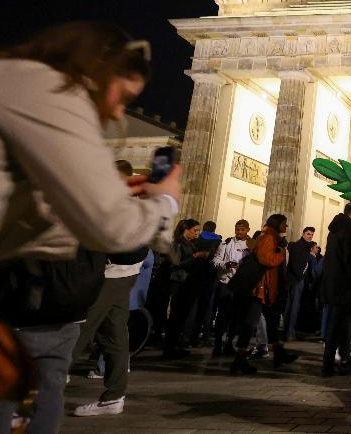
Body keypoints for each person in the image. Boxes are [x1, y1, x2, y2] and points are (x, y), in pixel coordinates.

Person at [0, 21, 180, 434]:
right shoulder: (49, 89)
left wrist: (101, 190)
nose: (119, 113)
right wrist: (164, 201)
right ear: (98, 70)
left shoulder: (7, 77)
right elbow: (113, 230)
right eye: (124, 95)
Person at [69, 160, 152, 417]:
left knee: (81, 326)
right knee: (114, 333)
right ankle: (114, 396)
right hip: (121, 274)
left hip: (112, 274)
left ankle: (42, 383)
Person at [229, 215, 297, 375]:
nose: (286, 227)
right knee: (250, 322)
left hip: (264, 289)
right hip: (258, 289)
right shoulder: (268, 237)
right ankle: (239, 360)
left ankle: (279, 353)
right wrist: (281, 254)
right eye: (284, 224)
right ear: (278, 224)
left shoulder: (270, 237)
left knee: (271, 320)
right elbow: (266, 259)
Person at [319, 204, 351, 377]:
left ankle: (344, 359)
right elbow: (350, 259)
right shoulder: (350, 230)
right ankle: (328, 364)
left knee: (342, 324)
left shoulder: (336, 229)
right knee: (338, 326)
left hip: (333, 284)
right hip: (345, 286)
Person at [162, 219, 208, 359]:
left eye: (198, 231)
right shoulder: (177, 243)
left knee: (182, 316)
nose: (197, 233)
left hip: (188, 282)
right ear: (185, 229)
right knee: (175, 316)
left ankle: (176, 345)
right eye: (195, 230)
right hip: (179, 282)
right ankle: (169, 348)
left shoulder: (191, 244)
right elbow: (176, 263)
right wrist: (195, 257)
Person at [211, 219, 255, 356]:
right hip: (226, 283)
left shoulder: (252, 245)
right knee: (222, 315)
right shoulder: (226, 243)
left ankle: (229, 343)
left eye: (242, 230)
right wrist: (226, 264)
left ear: (247, 230)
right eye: (237, 229)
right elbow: (215, 260)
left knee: (236, 317)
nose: (239, 232)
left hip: (242, 285)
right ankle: (218, 343)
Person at [285, 227, 315, 341]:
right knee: (293, 306)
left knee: (291, 305)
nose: (310, 236)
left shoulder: (306, 246)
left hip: (297, 279)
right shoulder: (298, 246)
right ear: (303, 234)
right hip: (297, 279)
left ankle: (288, 331)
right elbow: (296, 264)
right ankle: (290, 332)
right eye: (308, 234)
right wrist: (301, 276)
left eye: (311, 235)